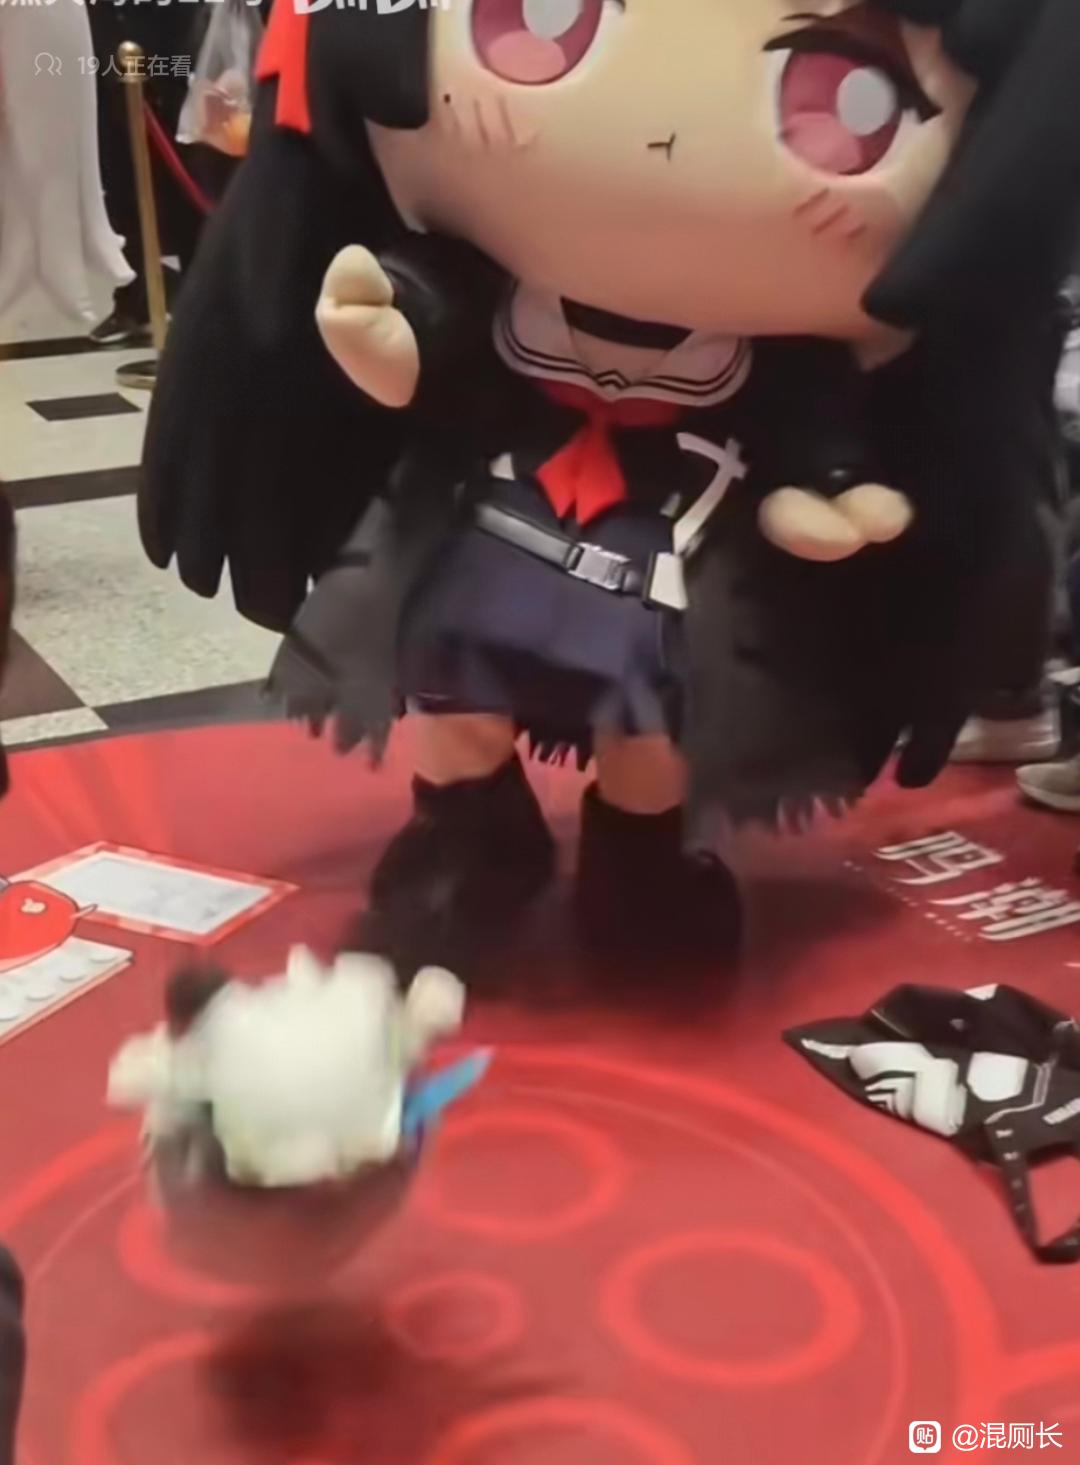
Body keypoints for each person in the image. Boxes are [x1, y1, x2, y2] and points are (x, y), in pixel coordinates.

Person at [140, 0, 1080, 977]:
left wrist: (825, 484)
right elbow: (448, 322)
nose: (665, 136)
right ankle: (465, 833)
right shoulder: (502, 286)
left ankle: (643, 854)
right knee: (459, 696)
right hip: (502, 510)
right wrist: (394, 338)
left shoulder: (767, 348)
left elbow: (803, 412)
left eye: (848, 100)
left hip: (667, 534)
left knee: (650, 721)